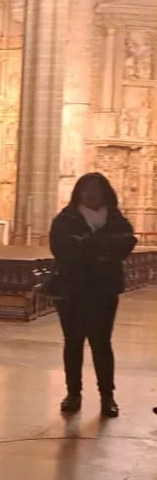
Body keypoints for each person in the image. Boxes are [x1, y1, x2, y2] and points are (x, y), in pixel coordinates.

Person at [50, 172, 136, 418]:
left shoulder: (116, 219)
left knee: (101, 343)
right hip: (71, 289)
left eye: (96, 189)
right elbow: (60, 247)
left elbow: (127, 242)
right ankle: (73, 393)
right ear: (78, 192)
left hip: (103, 290)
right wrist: (100, 248)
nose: (91, 194)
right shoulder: (66, 218)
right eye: (86, 189)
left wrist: (87, 245)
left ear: (105, 193)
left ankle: (107, 396)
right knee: (73, 343)